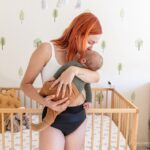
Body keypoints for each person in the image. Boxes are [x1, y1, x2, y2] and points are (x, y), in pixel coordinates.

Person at [20, 12, 102, 150]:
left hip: (78, 116)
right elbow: (25, 85)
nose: (91, 48)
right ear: (78, 33)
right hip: (54, 117)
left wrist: (73, 71)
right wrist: (44, 101)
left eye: (94, 44)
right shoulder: (47, 50)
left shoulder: (83, 57)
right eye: (90, 42)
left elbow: (96, 77)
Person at [31, 50, 103, 131]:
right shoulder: (86, 76)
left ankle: (41, 95)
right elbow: (88, 88)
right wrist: (89, 101)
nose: (79, 55)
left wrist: (54, 78)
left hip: (58, 88)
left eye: (81, 54)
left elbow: (62, 69)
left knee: (46, 87)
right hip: (69, 97)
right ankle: (43, 125)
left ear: (83, 60)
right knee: (53, 112)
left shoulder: (74, 64)